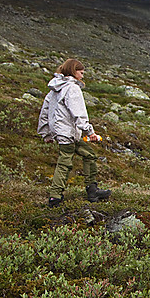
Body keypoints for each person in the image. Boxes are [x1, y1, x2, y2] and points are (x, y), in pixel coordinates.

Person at [37, 58, 111, 207]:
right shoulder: (72, 88)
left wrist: (47, 133)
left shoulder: (54, 88)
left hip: (64, 132)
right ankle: (55, 197)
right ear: (73, 71)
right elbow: (79, 113)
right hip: (68, 132)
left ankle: (92, 190)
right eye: (81, 72)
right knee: (65, 162)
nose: (82, 76)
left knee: (89, 154)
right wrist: (89, 131)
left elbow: (45, 111)